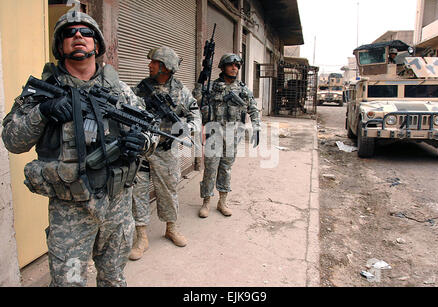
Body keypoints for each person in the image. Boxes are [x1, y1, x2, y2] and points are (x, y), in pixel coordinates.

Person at [1, 11, 154, 287]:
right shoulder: (41, 92)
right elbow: (12, 140)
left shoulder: (120, 91)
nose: (78, 37)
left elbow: (149, 132)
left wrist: (142, 143)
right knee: (69, 283)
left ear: (97, 45)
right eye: (70, 33)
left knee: (114, 279)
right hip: (70, 212)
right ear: (60, 47)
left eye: (86, 32)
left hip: (117, 207)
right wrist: (43, 112)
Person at [129, 46, 201, 260]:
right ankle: (141, 237)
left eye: (154, 63)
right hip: (141, 150)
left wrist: (188, 128)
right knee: (137, 192)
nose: (149, 65)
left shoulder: (181, 90)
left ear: (165, 68)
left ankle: (171, 228)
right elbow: (126, 108)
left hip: (166, 150)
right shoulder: (141, 89)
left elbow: (195, 113)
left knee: (168, 191)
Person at [198, 53, 260, 218]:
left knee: (226, 168)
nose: (235, 68)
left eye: (237, 66)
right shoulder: (211, 87)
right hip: (214, 133)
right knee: (210, 168)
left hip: (233, 135)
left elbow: (253, 108)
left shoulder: (242, 89)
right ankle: (206, 202)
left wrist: (257, 127)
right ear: (223, 66)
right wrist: (201, 81)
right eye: (231, 65)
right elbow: (196, 100)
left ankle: (222, 202)